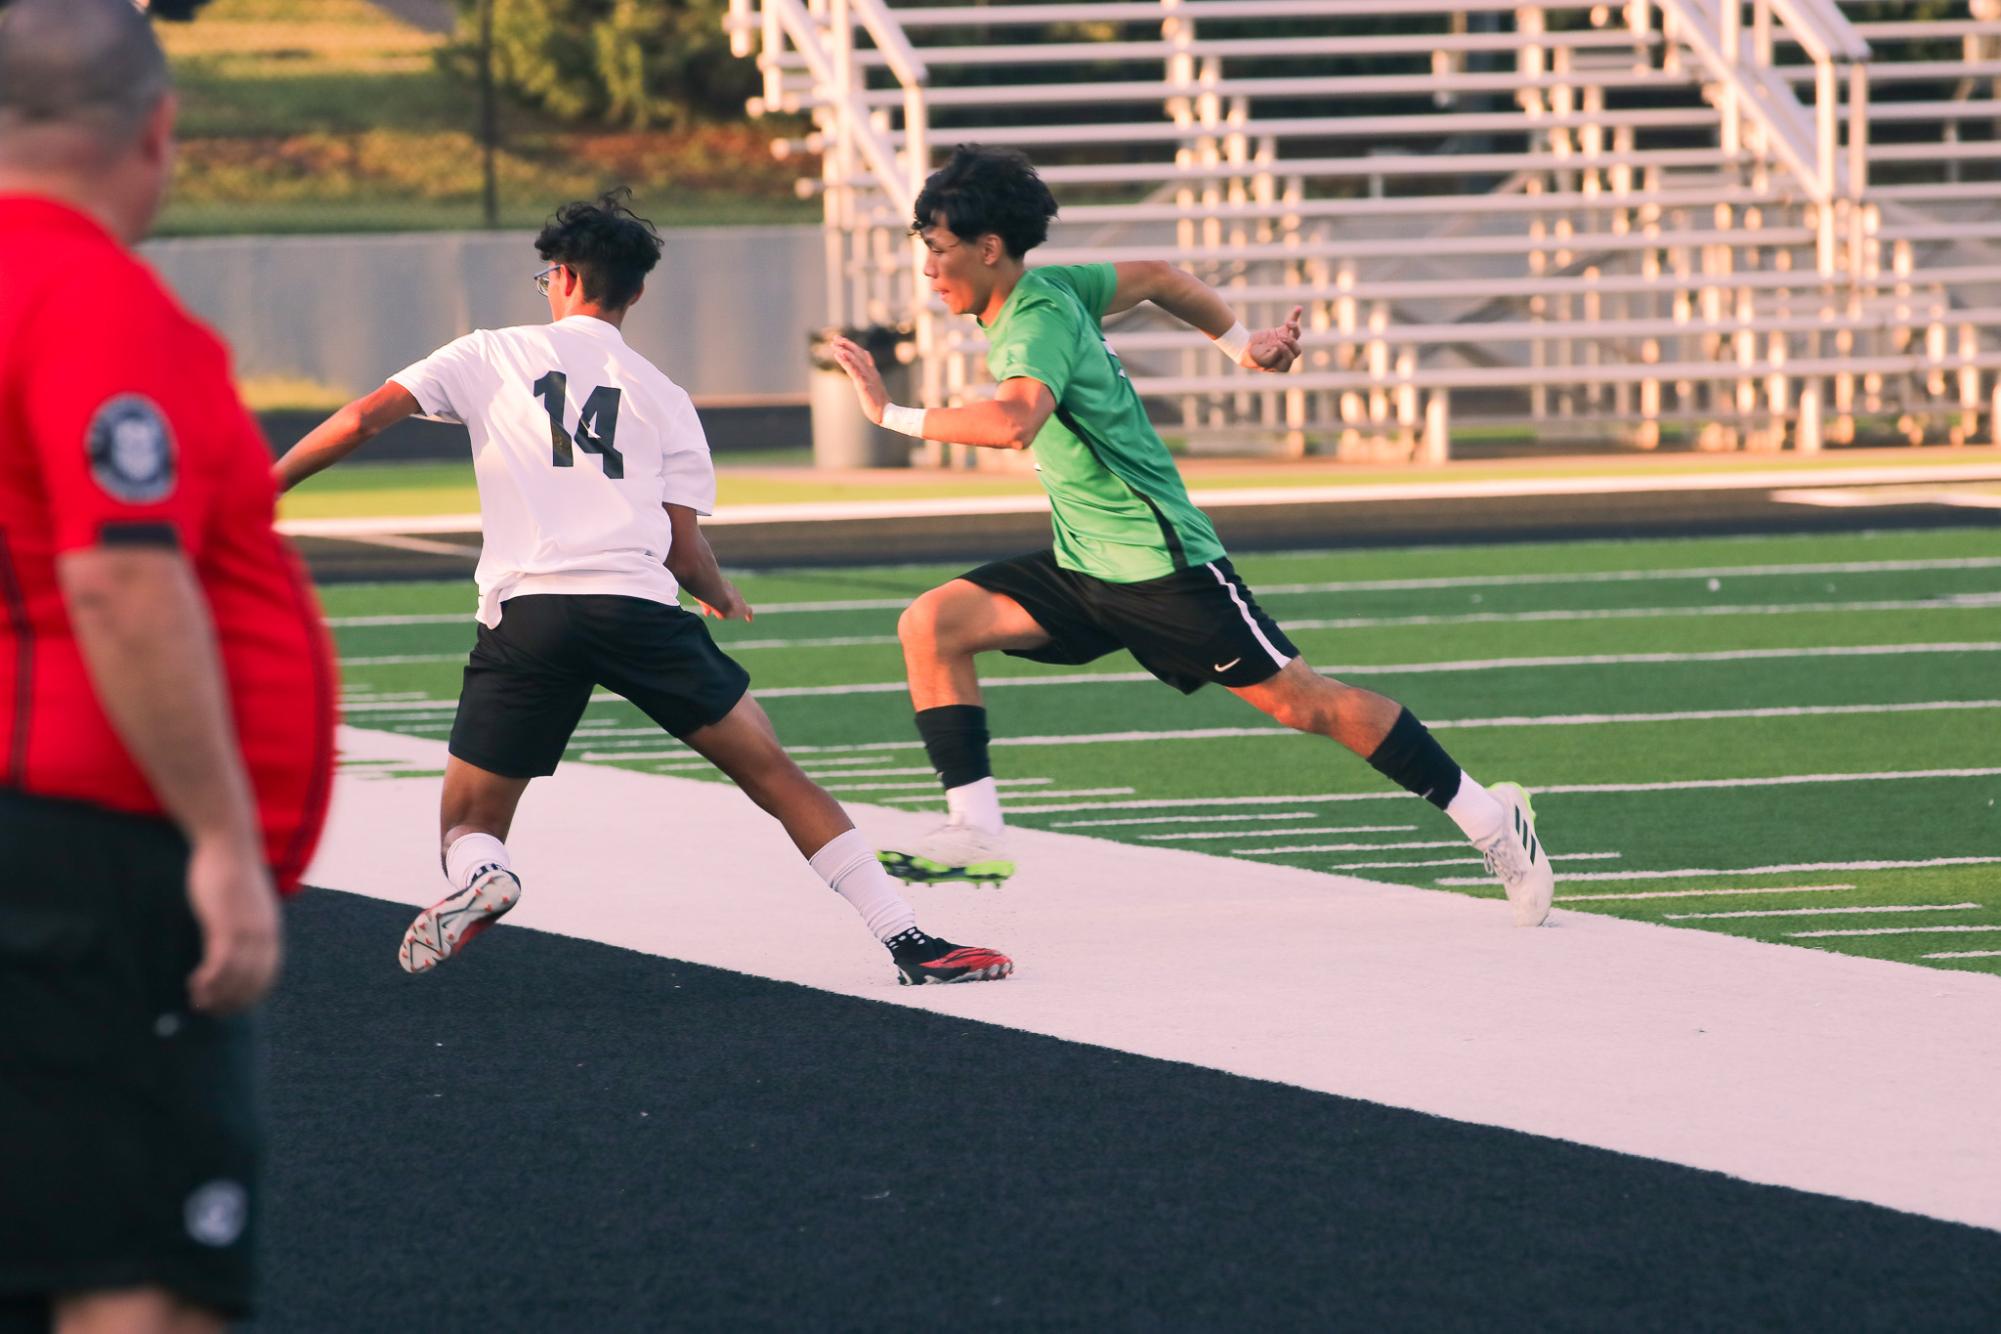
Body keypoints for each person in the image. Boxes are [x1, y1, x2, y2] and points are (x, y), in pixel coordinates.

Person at [271, 191, 1012, 987]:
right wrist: (718, 593)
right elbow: (683, 547)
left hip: (532, 614)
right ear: (638, 291)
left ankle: (483, 877)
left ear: (558, 276)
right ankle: (908, 941)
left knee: (469, 818)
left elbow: (358, 421)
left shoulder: (488, 352)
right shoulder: (664, 395)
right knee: (774, 774)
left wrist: (264, 485)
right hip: (636, 608)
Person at [827, 144, 1554, 927]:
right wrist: (1243, 345)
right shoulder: (1052, 287)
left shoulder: (1031, 321)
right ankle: (975, 832)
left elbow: (1013, 421)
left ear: (988, 248)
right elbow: (1160, 279)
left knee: (1305, 705)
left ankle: (1488, 817)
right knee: (931, 623)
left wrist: (889, 415)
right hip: (1085, 563)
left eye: (937, 252)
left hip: (1160, 565)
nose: (929, 272)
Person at [0, 1, 338, 1330]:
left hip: (37, 831)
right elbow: (123, 579)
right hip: (98, 849)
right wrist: (218, 840)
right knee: (142, 1267)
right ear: (158, 128)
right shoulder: (85, 289)